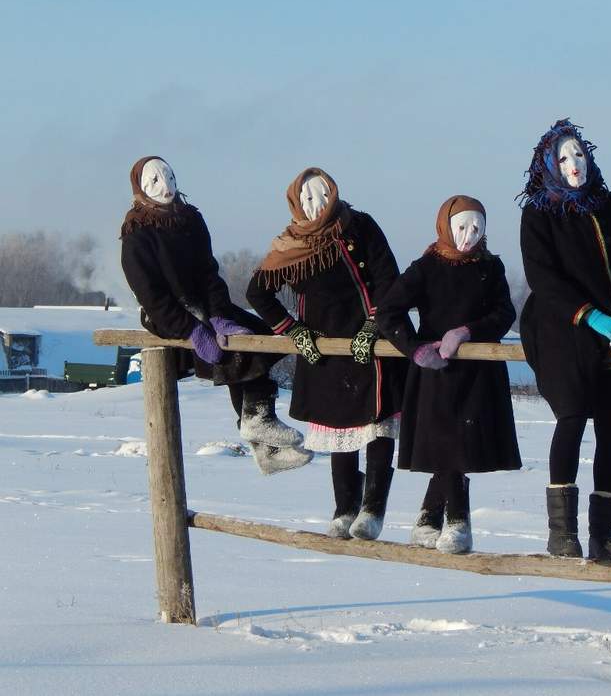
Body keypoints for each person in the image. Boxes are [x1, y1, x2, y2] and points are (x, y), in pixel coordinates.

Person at [120, 156, 312, 475]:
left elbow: (209, 272)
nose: (164, 185)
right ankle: (258, 427)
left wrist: (221, 316)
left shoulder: (191, 220)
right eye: (154, 180)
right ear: (140, 188)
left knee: (258, 338)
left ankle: (260, 430)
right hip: (169, 315)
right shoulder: (136, 234)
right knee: (234, 354)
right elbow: (151, 297)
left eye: (168, 175)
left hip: (206, 305)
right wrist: (193, 331)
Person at [246, 167, 406, 540]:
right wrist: (292, 330)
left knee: (377, 423)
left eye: (322, 195)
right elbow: (259, 294)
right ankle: (344, 506)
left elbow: (387, 277)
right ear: (295, 204)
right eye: (307, 199)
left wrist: (376, 324)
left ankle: (372, 509)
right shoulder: (290, 245)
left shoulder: (360, 226)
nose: (316, 205)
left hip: (370, 342)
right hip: (325, 350)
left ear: (334, 193)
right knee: (339, 428)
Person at [517, 120, 611, 563]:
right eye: (565, 158)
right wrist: (588, 315)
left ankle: (604, 535)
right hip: (562, 329)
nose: (576, 164)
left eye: (581, 155)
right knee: (572, 418)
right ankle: (562, 531)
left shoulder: (608, 205)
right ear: (549, 166)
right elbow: (542, 276)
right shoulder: (538, 213)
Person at [377, 196, 521, 554]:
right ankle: (456, 521)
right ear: (445, 225)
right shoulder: (425, 267)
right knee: (447, 442)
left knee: (460, 444)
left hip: (477, 372)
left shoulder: (491, 267)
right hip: (435, 373)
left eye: (477, 228)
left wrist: (467, 331)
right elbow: (389, 312)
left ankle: (431, 518)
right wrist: (415, 349)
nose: (469, 236)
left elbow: (504, 314)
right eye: (462, 227)